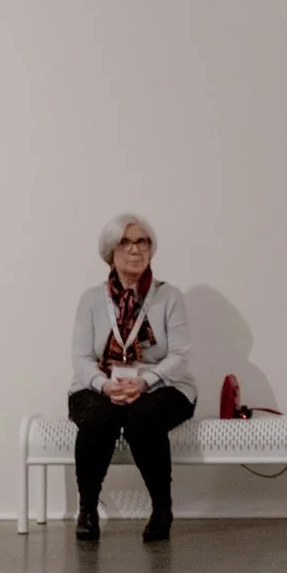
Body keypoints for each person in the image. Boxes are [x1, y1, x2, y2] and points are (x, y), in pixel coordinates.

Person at [68, 215, 197, 544]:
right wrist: (104, 385)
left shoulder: (169, 297)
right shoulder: (91, 299)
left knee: (143, 418)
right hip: (102, 383)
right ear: (110, 252)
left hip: (163, 385)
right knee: (95, 417)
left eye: (142, 242)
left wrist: (145, 382)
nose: (135, 249)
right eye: (125, 242)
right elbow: (81, 358)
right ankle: (87, 509)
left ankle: (162, 509)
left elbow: (180, 355)